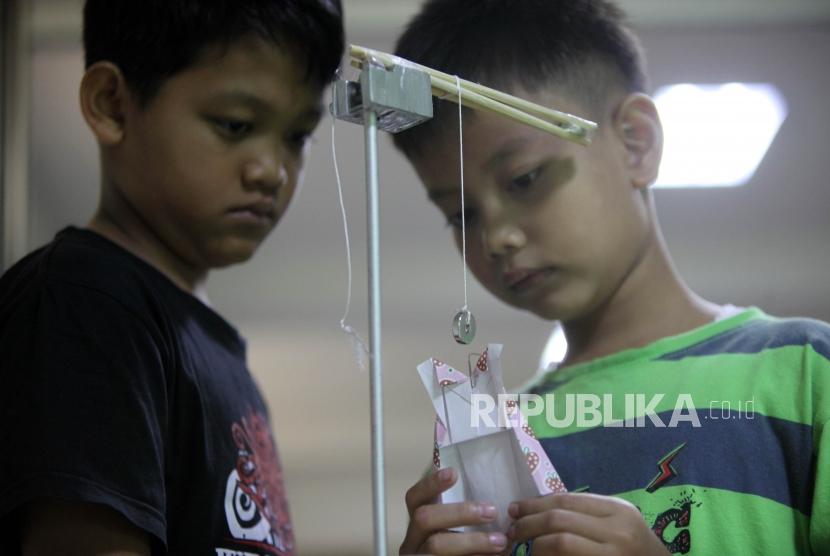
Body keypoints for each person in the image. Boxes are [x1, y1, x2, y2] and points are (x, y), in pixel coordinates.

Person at [391, 1, 830, 555]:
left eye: (524, 179)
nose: (495, 237)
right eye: (462, 215)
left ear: (635, 142)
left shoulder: (805, 373)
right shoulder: (486, 443)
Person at [0, 1, 343, 554]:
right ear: (112, 104)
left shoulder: (208, 348)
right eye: (235, 125)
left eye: (297, 136)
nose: (272, 170)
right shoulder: (88, 303)